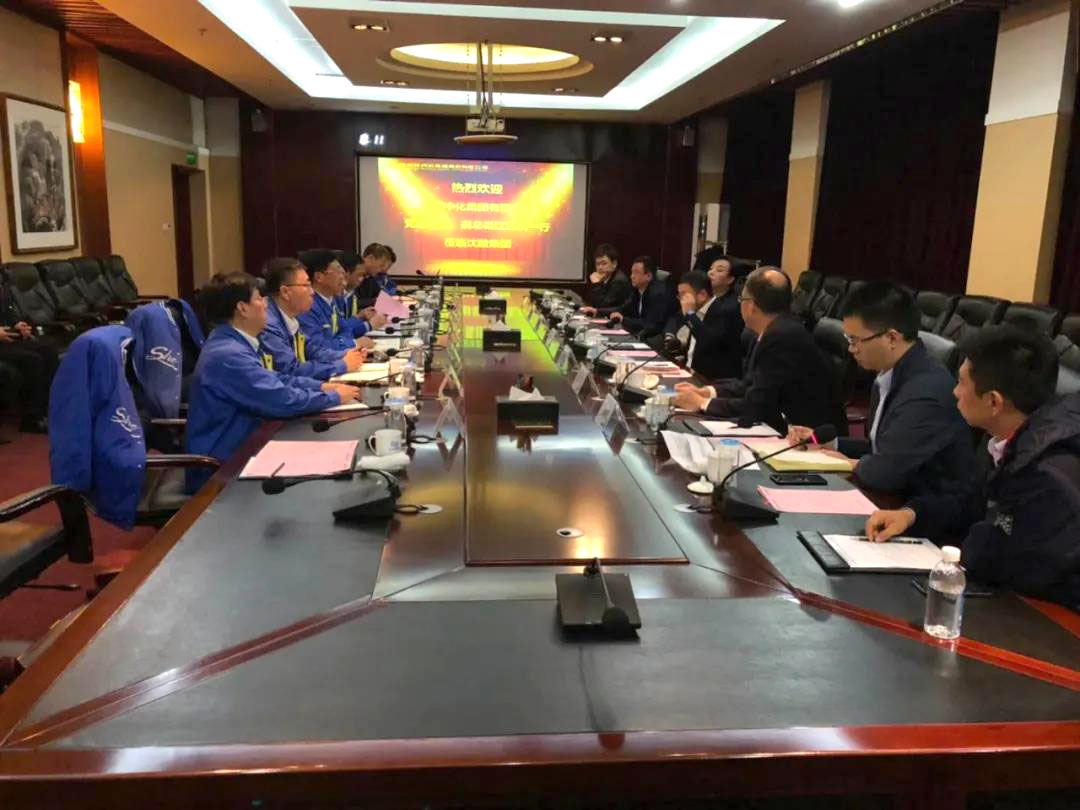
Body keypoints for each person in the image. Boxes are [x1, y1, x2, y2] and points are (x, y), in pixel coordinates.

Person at [866, 326, 1080, 608]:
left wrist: (968, 548)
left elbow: (1023, 568)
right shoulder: (1010, 441)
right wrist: (911, 514)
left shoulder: (1050, 471)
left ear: (993, 401)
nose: (954, 392)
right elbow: (969, 502)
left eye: (961, 383)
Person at [786, 282, 971, 498]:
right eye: (848, 339)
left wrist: (850, 464)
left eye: (855, 340)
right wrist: (830, 444)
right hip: (895, 496)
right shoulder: (888, 374)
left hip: (922, 507)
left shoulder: (924, 392)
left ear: (891, 338)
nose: (851, 349)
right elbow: (881, 449)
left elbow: (885, 473)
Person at [185, 273, 358, 492]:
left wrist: (321, 386)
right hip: (224, 466)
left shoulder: (234, 342)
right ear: (242, 308)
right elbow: (280, 399)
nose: (266, 304)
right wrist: (334, 397)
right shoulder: (228, 355)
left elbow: (275, 378)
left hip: (247, 445)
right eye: (259, 298)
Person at [672, 267, 844, 434]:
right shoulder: (771, 330)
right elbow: (749, 384)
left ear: (751, 305)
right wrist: (707, 392)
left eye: (741, 299)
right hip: (786, 426)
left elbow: (759, 405)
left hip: (809, 437)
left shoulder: (782, 337)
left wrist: (702, 403)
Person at [261, 258, 367, 381]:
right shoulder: (269, 324)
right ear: (285, 292)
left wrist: (348, 354)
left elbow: (312, 350)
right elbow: (291, 370)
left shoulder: (291, 317)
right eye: (306, 285)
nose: (312, 292)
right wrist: (341, 365)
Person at [0, 281, 59, 432]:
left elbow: (7, 315)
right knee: (32, 360)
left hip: (7, 339)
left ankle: (49, 411)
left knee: (48, 351)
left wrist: (18, 326)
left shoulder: (3, 285)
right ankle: (32, 419)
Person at [299, 251, 380, 352]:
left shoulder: (332, 301)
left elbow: (347, 331)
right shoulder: (307, 307)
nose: (343, 277)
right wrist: (353, 343)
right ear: (319, 277)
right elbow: (318, 348)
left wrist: (341, 342)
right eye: (338, 271)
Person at [676, 265, 744, 380]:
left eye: (684, 295)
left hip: (713, 381)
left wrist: (690, 315)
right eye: (680, 295)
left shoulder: (724, 311)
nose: (681, 300)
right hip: (690, 372)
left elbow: (707, 341)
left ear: (702, 295)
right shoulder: (695, 311)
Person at [606, 255, 669, 340]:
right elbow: (622, 309)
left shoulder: (658, 294)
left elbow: (649, 324)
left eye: (636, 272)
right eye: (632, 272)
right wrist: (597, 311)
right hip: (640, 335)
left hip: (655, 338)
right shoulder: (637, 290)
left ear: (648, 276)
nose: (631, 276)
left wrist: (623, 319)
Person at [579, 244, 632, 316]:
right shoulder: (604, 278)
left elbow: (603, 306)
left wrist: (596, 285)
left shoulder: (619, 281)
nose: (600, 267)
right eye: (597, 264)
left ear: (614, 264)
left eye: (604, 263)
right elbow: (592, 302)